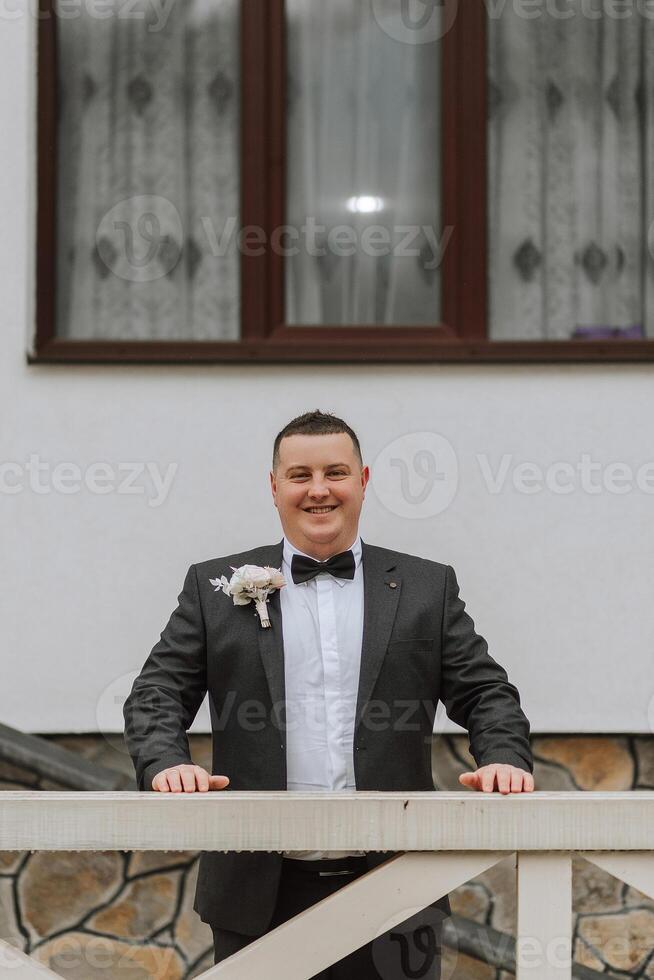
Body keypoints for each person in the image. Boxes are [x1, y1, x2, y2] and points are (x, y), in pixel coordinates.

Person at [123, 410, 534, 979]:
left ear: (363, 480)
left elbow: (487, 691)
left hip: (396, 888)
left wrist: (503, 760)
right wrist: (168, 763)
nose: (319, 490)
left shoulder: (426, 586)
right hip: (257, 894)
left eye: (335, 472)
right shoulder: (213, 587)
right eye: (300, 475)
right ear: (274, 487)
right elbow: (156, 694)